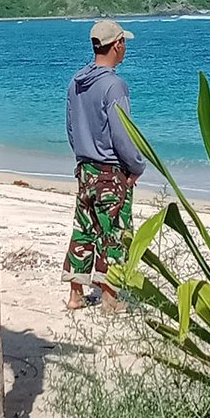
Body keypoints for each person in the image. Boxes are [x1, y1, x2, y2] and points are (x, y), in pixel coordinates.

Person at [62, 19, 145, 312]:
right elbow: (122, 134)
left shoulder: (76, 82)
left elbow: (71, 128)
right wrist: (136, 166)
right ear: (117, 45)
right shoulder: (114, 86)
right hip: (110, 171)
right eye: (124, 43)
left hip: (86, 168)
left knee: (84, 228)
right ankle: (110, 297)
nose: (125, 49)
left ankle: (75, 294)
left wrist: (83, 155)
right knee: (116, 233)